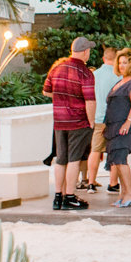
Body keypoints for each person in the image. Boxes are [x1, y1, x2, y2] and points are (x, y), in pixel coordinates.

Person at [42, 37, 97, 211]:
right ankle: (70, 196)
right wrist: (92, 121)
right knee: (74, 159)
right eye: (89, 50)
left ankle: (58, 196)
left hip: (59, 121)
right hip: (78, 121)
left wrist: (62, 98)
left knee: (60, 159)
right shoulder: (85, 72)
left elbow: (46, 91)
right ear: (85, 51)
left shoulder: (57, 68)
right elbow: (90, 101)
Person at [103, 49, 131, 208]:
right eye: (119, 62)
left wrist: (127, 122)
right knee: (116, 161)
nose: (121, 65)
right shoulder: (120, 81)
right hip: (113, 126)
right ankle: (124, 194)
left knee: (121, 159)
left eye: (125, 63)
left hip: (124, 126)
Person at [85, 44, 119, 193]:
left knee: (95, 150)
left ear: (103, 58)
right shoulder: (120, 75)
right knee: (114, 151)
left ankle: (91, 182)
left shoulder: (94, 75)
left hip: (98, 117)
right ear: (117, 58)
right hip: (114, 118)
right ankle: (112, 183)